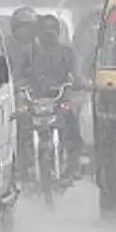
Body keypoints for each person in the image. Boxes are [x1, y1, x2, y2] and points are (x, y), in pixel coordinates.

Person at [24, 13, 81, 177]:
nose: (48, 34)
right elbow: (18, 74)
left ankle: (72, 165)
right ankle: (23, 166)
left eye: (52, 30)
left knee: (72, 126)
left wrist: (79, 83)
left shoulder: (66, 52)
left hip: (59, 101)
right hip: (34, 102)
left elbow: (76, 74)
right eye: (45, 30)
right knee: (21, 125)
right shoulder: (29, 53)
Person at [8, 6, 39, 88]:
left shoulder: (40, 46)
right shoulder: (4, 46)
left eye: (31, 27)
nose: (27, 30)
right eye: (22, 26)